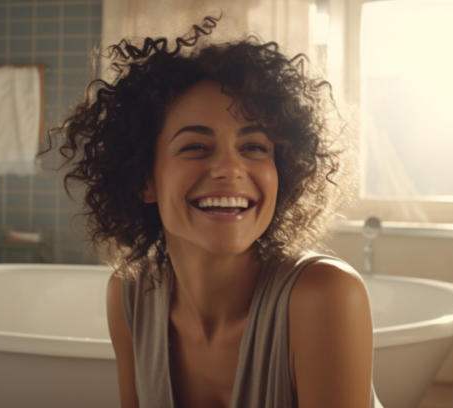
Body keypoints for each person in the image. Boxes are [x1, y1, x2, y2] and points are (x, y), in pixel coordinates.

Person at [49, 16, 379, 408]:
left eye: (255, 147)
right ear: (143, 179)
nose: (230, 168)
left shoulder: (325, 295)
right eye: (195, 147)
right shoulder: (129, 293)